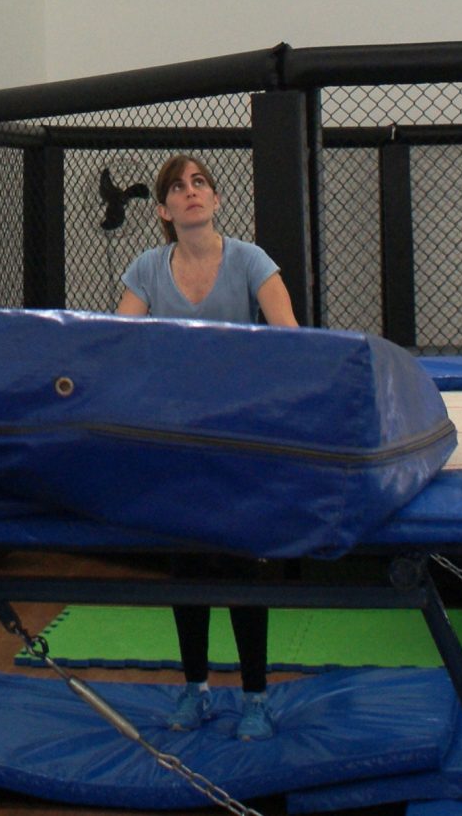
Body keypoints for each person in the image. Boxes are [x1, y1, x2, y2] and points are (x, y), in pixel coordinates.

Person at [113, 155, 298, 740]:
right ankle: (195, 690)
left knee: (242, 566)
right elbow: (118, 343)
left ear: (216, 201)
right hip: (177, 442)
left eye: (200, 184)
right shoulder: (146, 268)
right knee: (186, 568)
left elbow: (289, 340)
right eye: (177, 188)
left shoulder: (250, 262)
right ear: (164, 210)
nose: (190, 193)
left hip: (238, 437)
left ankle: (255, 696)